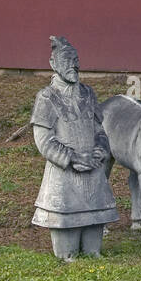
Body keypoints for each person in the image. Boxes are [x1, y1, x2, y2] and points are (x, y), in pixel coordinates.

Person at [30, 35, 118, 260]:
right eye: (67, 59)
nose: (74, 64)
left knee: (93, 242)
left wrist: (100, 149)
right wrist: (71, 158)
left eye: (76, 60)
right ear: (53, 63)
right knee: (66, 238)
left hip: (94, 174)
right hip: (64, 178)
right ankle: (67, 254)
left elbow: (100, 130)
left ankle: (91, 250)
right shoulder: (46, 97)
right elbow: (43, 140)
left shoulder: (88, 94)